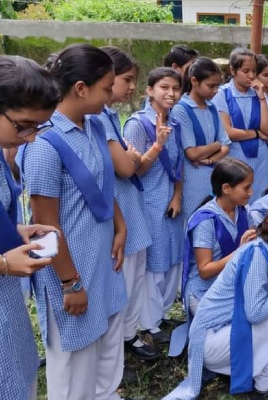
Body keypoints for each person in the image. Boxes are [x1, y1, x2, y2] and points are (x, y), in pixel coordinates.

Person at [20, 44, 128, 400]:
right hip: (71, 267)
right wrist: (70, 283)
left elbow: (102, 182)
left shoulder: (95, 126)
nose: (111, 96)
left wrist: (120, 223)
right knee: (74, 363)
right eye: (106, 88)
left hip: (101, 258)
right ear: (81, 88)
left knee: (108, 342)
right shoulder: (44, 145)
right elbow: (44, 227)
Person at [165, 200, 268, 400]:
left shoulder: (266, 249)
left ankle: (238, 369)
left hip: (228, 332)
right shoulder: (257, 253)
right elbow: (255, 314)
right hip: (212, 339)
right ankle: (264, 387)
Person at [0, 55, 61, 400]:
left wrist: (14, 231)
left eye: (38, 127)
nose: (30, 138)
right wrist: (5, 264)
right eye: (23, 125)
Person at [97, 46, 161, 362]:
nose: (131, 87)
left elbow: (131, 163)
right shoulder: (98, 118)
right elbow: (124, 166)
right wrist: (132, 157)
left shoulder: (110, 115)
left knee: (134, 273)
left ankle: (128, 334)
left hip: (130, 205)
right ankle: (120, 339)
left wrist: (133, 157)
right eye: (126, 80)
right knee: (123, 275)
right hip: (117, 205)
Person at [168, 158, 257, 357]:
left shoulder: (243, 212)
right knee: (236, 336)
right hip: (203, 291)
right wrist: (240, 251)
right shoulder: (206, 220)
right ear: (226, 188)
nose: (251, 192)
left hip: (230, 285)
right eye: (246, 187)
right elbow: (205, 270)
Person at [124, 67, 184, 346]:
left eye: (175, 88)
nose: (171, 93)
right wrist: (157, 144)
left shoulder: (177, 122)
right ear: (149, 91)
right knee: (153, 263)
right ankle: (148, 322)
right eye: (164, 87)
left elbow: (179, 163)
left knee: (172, 257)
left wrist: (178, 195)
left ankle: (159, 314)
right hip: (148, 202)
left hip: (170, 199)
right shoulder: (137, 125)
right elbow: (132, 171)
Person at [172, 57, 231, 223]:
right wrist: (216, 145)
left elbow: (227, 146)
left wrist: (210, 159)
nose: (215, 91)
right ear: (194, 81)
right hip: (192, 181)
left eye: (217, 86)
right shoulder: (181, 109)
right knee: (193, 222)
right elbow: (192, 153)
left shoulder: (212, 107)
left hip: (212, 176)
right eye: (211, 86)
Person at [213, 47, 268, 203]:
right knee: (237, 198)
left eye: (254, 71)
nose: (251, 76)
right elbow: (228, 132)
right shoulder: (223, 94)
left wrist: (261, 97)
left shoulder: (257, 93)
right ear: (233, 70)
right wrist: (255, 133)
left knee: (260, 197)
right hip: (235, 156)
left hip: (260, 157)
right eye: (246, 71)